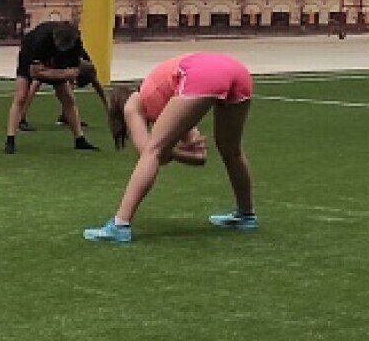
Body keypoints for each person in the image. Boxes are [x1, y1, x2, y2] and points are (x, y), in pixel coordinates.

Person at [83, 52, 256, 245]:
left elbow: (148, 152)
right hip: (237, 71)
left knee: (152, 151)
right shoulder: (171, 100)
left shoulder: (133, 103)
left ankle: (120, 225)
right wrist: (171, 149)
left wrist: (167, 149)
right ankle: (245, 214)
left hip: (201, 74)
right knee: (231, 149)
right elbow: (199, 156)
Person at [4, 21, 103, 154]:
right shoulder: (40, 41)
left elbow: (84, 74)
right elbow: (35, 73)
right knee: (21, 96)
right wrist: (65, 74)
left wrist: (108, 108)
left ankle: (80, 139)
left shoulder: (76, 44)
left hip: (56, 62)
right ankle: (10, 139)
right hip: (29, 59)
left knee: (68, 99)